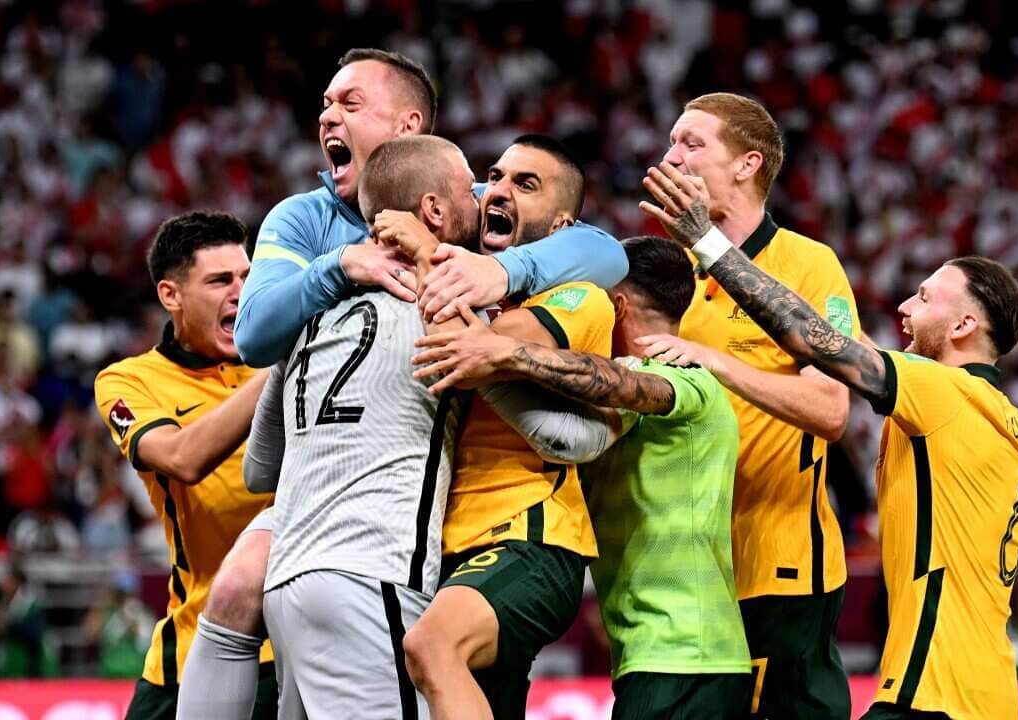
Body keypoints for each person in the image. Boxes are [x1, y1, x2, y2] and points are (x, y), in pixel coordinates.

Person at [180, 49, 627, 720]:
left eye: (350, 104)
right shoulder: (306, 220)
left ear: (408, 122)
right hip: (368, 516)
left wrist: (499, 275)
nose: (328, 114)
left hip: (437, 521)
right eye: (326, 104)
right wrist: (342, 265)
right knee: (240, 581)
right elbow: (255, 336)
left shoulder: (467, 209)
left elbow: (602, 250)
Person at [643, 165, 1018, 719]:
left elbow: (822, 342)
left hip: (934, 694)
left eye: (924, 298)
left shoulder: (947, 394)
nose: (904, 307)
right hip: (981, 688)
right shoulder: (1001, 417)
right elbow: (840, 335)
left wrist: (708, 247)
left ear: (963, 325)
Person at [412, 236, 751, 719]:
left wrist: (498, 354)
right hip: (657, 654)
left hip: (687, 652)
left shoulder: (689, 380)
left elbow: (576, 428)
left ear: (616, 305)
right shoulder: (620, 411)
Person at [635, 92, 859, 718]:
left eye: (691, 143)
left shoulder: (809, 265)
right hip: (681, 571)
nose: (670, 156)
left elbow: (832, 409)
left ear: (747, 164)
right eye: (671, 140)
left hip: (780, 563)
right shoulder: (665, 271)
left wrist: (720, 363)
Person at [401, 136, 615, 720]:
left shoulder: (579, 295)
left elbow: (492, 348)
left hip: (531, 536)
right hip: (447, 545)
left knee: (432, 646)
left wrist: (426, 255)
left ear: (562, 224)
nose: (498, 189)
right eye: (494, 176)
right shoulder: (475, 287)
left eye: (526, 184)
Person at [93, 211, 275, 719]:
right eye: (219, 281)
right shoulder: (129, 381)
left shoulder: (272, 359)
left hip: (290, 646)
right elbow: (181, 459)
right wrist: (283, 369)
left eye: (247, 277)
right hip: (191, 647)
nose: (240, 292)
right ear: (171, 295)